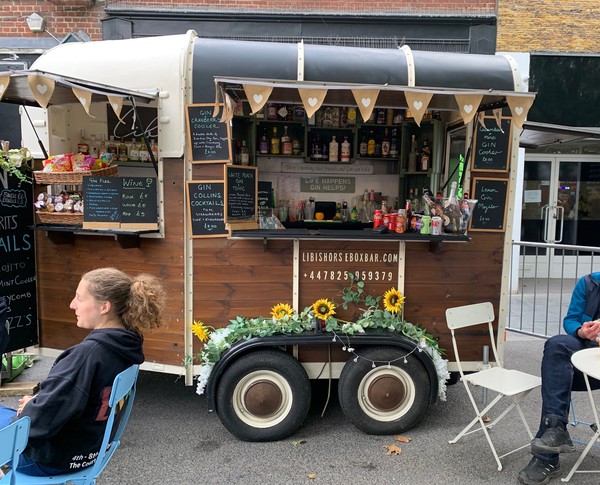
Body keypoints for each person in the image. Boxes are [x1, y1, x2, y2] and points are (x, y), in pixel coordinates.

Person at [0, 267, 165, 477]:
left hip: (51, 459)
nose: (72, 305)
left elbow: (39, 423)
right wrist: (37, 402)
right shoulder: (127, 345)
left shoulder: (87, 356)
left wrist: (30, 410)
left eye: (79, 298)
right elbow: (77, 397)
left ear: (104, 307)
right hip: (91, 451)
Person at [518, 272, 600, 485]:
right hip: (585, 360)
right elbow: (571, 320)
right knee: (557, 345)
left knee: (556, 380)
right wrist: (582, 331)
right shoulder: (590, 283)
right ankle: (555, 429)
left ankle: (545, 458)